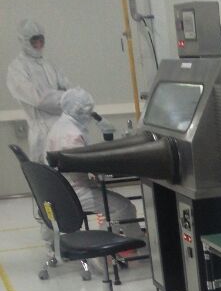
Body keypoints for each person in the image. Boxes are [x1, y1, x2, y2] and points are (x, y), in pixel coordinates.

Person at [45, 88, 137, 234]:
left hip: (64, 187)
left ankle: (128, 239)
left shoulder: (62, 125)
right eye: (89, 111)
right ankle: (112, 242)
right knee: (124, 208)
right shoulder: (71, 134)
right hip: (74, 191)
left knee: (118, 206)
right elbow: (79, 164)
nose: (90, 115)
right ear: (82, 110)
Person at [7, 19, 69, 164]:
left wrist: (60, 97)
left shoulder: (49, 63)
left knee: (69, 171)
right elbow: (38, 100)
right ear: (24, 41)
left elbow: (67, 90)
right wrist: (62, 97)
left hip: (63, 128)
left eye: (41, 40)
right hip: (42, 133)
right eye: (35, 41)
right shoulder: (17, 68)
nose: (39, 44)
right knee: (48, 174)